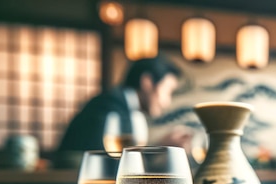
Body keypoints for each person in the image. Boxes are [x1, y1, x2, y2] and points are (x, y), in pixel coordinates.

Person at [56, 55, 187, 157]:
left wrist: (162, 146)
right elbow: (109, 160)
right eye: (168, 91)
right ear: (147, 82)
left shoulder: (122, 105)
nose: (167, 102)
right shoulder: (110, 107)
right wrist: (161, 148)